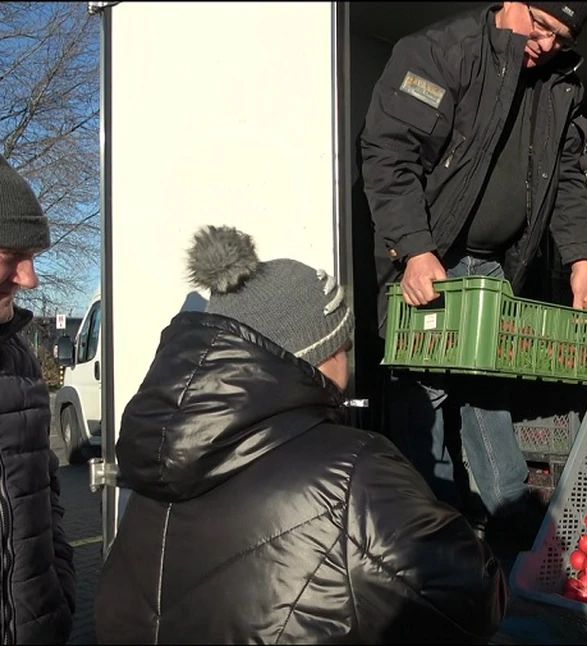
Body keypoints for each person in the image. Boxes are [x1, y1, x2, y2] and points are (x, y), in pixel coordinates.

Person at [94, 225, 506, 644]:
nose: (348, 359)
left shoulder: (151, 464)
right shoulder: (352, 471)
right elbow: (471, 598)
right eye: (343, 345)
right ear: (320, 353)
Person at [360, 2, 587, 538]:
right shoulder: (440, 54)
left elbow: (567, 179)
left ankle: (511, 533)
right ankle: (428, 539)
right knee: (423, 399)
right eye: (540, 25)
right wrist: (415, 249)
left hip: (493, 268)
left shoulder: (558, 84)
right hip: (429, 259)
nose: (546, 44)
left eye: (560, 36)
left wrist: (580, 264)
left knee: (488, 394)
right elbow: (386, 154)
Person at [0, 154, 76, 644]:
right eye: (12, 256)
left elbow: (44, 491)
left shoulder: (19, 358)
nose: (30, 279)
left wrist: (59, 591)